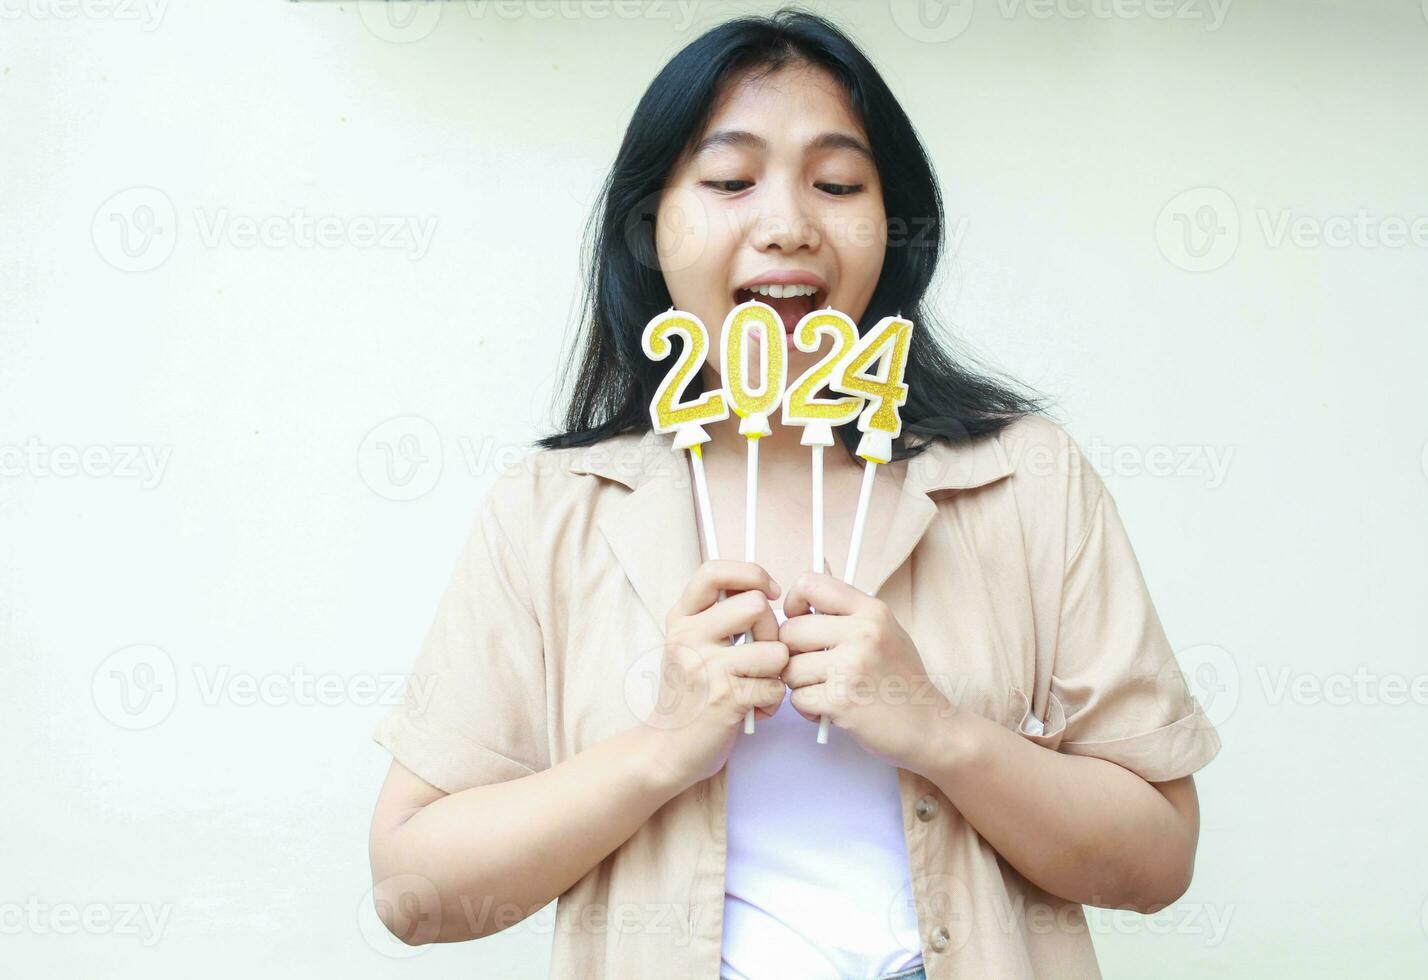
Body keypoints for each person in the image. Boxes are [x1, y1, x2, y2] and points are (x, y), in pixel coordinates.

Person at [368, 10, 1220, 979]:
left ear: (891, 224)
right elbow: (411, 891)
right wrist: (659, 745)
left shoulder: (1025, 476)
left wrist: (937, 729)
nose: (787, 225)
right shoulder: (550, 506)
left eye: (837, 184)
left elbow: (1155, 860)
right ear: (649, 224)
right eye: (729, 181)